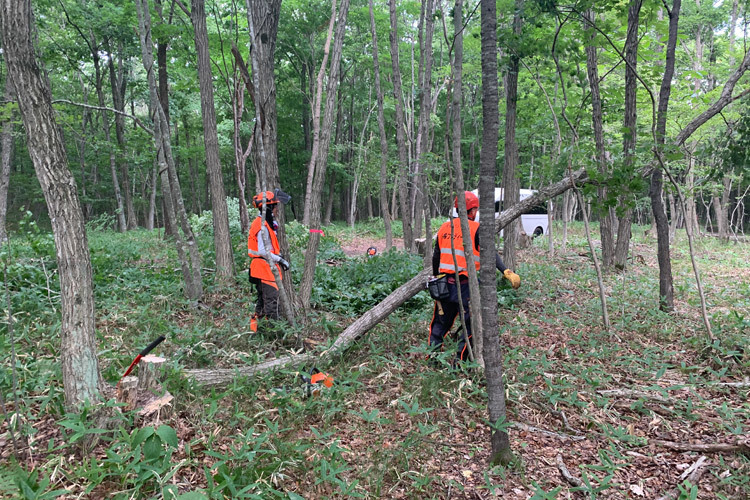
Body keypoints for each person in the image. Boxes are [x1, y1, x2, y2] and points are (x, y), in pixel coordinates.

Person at [428, 191, 521, 363]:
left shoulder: (444, 227)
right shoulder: (475, 228)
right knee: (471, 325)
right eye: (475, 209)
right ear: (472, 210)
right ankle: (460, 362)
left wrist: (435, 278)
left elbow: (436, 256)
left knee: (440, 325)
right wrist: (506, 271)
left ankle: (433, 359)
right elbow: (490, 253)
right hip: (465, 286)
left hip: (444, 284)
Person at [248, 189, 291, 329]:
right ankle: (274, 333)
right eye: (275, 206)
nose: (277, 209)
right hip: (263, 269)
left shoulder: (264, 224)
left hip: (261, 268)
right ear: (269, 208)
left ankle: (256, 330)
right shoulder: (262, 227)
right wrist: (280, 260)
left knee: (262, 301)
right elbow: (262, 250)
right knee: (271, 302)